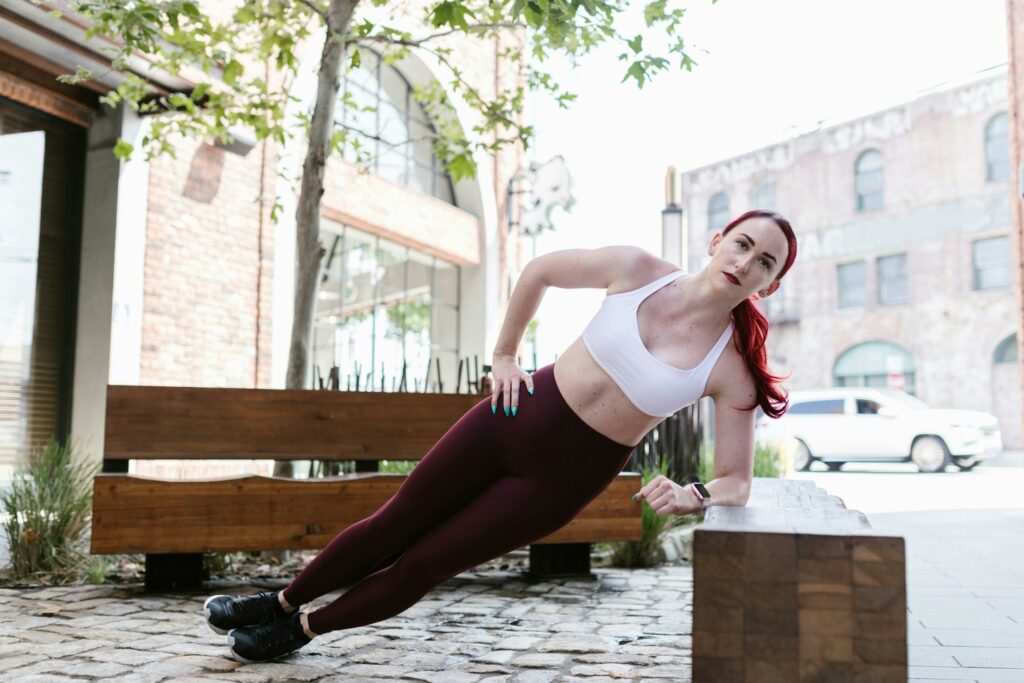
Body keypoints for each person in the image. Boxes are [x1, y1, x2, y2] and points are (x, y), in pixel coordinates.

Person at [203, 209, 798, 663]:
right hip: (516, 414)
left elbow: (737, 481)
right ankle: (278, 601)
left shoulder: (730, 368)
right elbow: (539, 271)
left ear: (768, 287)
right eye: (743, 244)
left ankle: (301, 630)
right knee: (394, 523)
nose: (746, 263)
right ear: (717, 240)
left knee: (425, 563)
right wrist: (505, 354)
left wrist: (695, 493)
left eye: (765, 262)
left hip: (561, 480)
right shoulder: (637, 270)